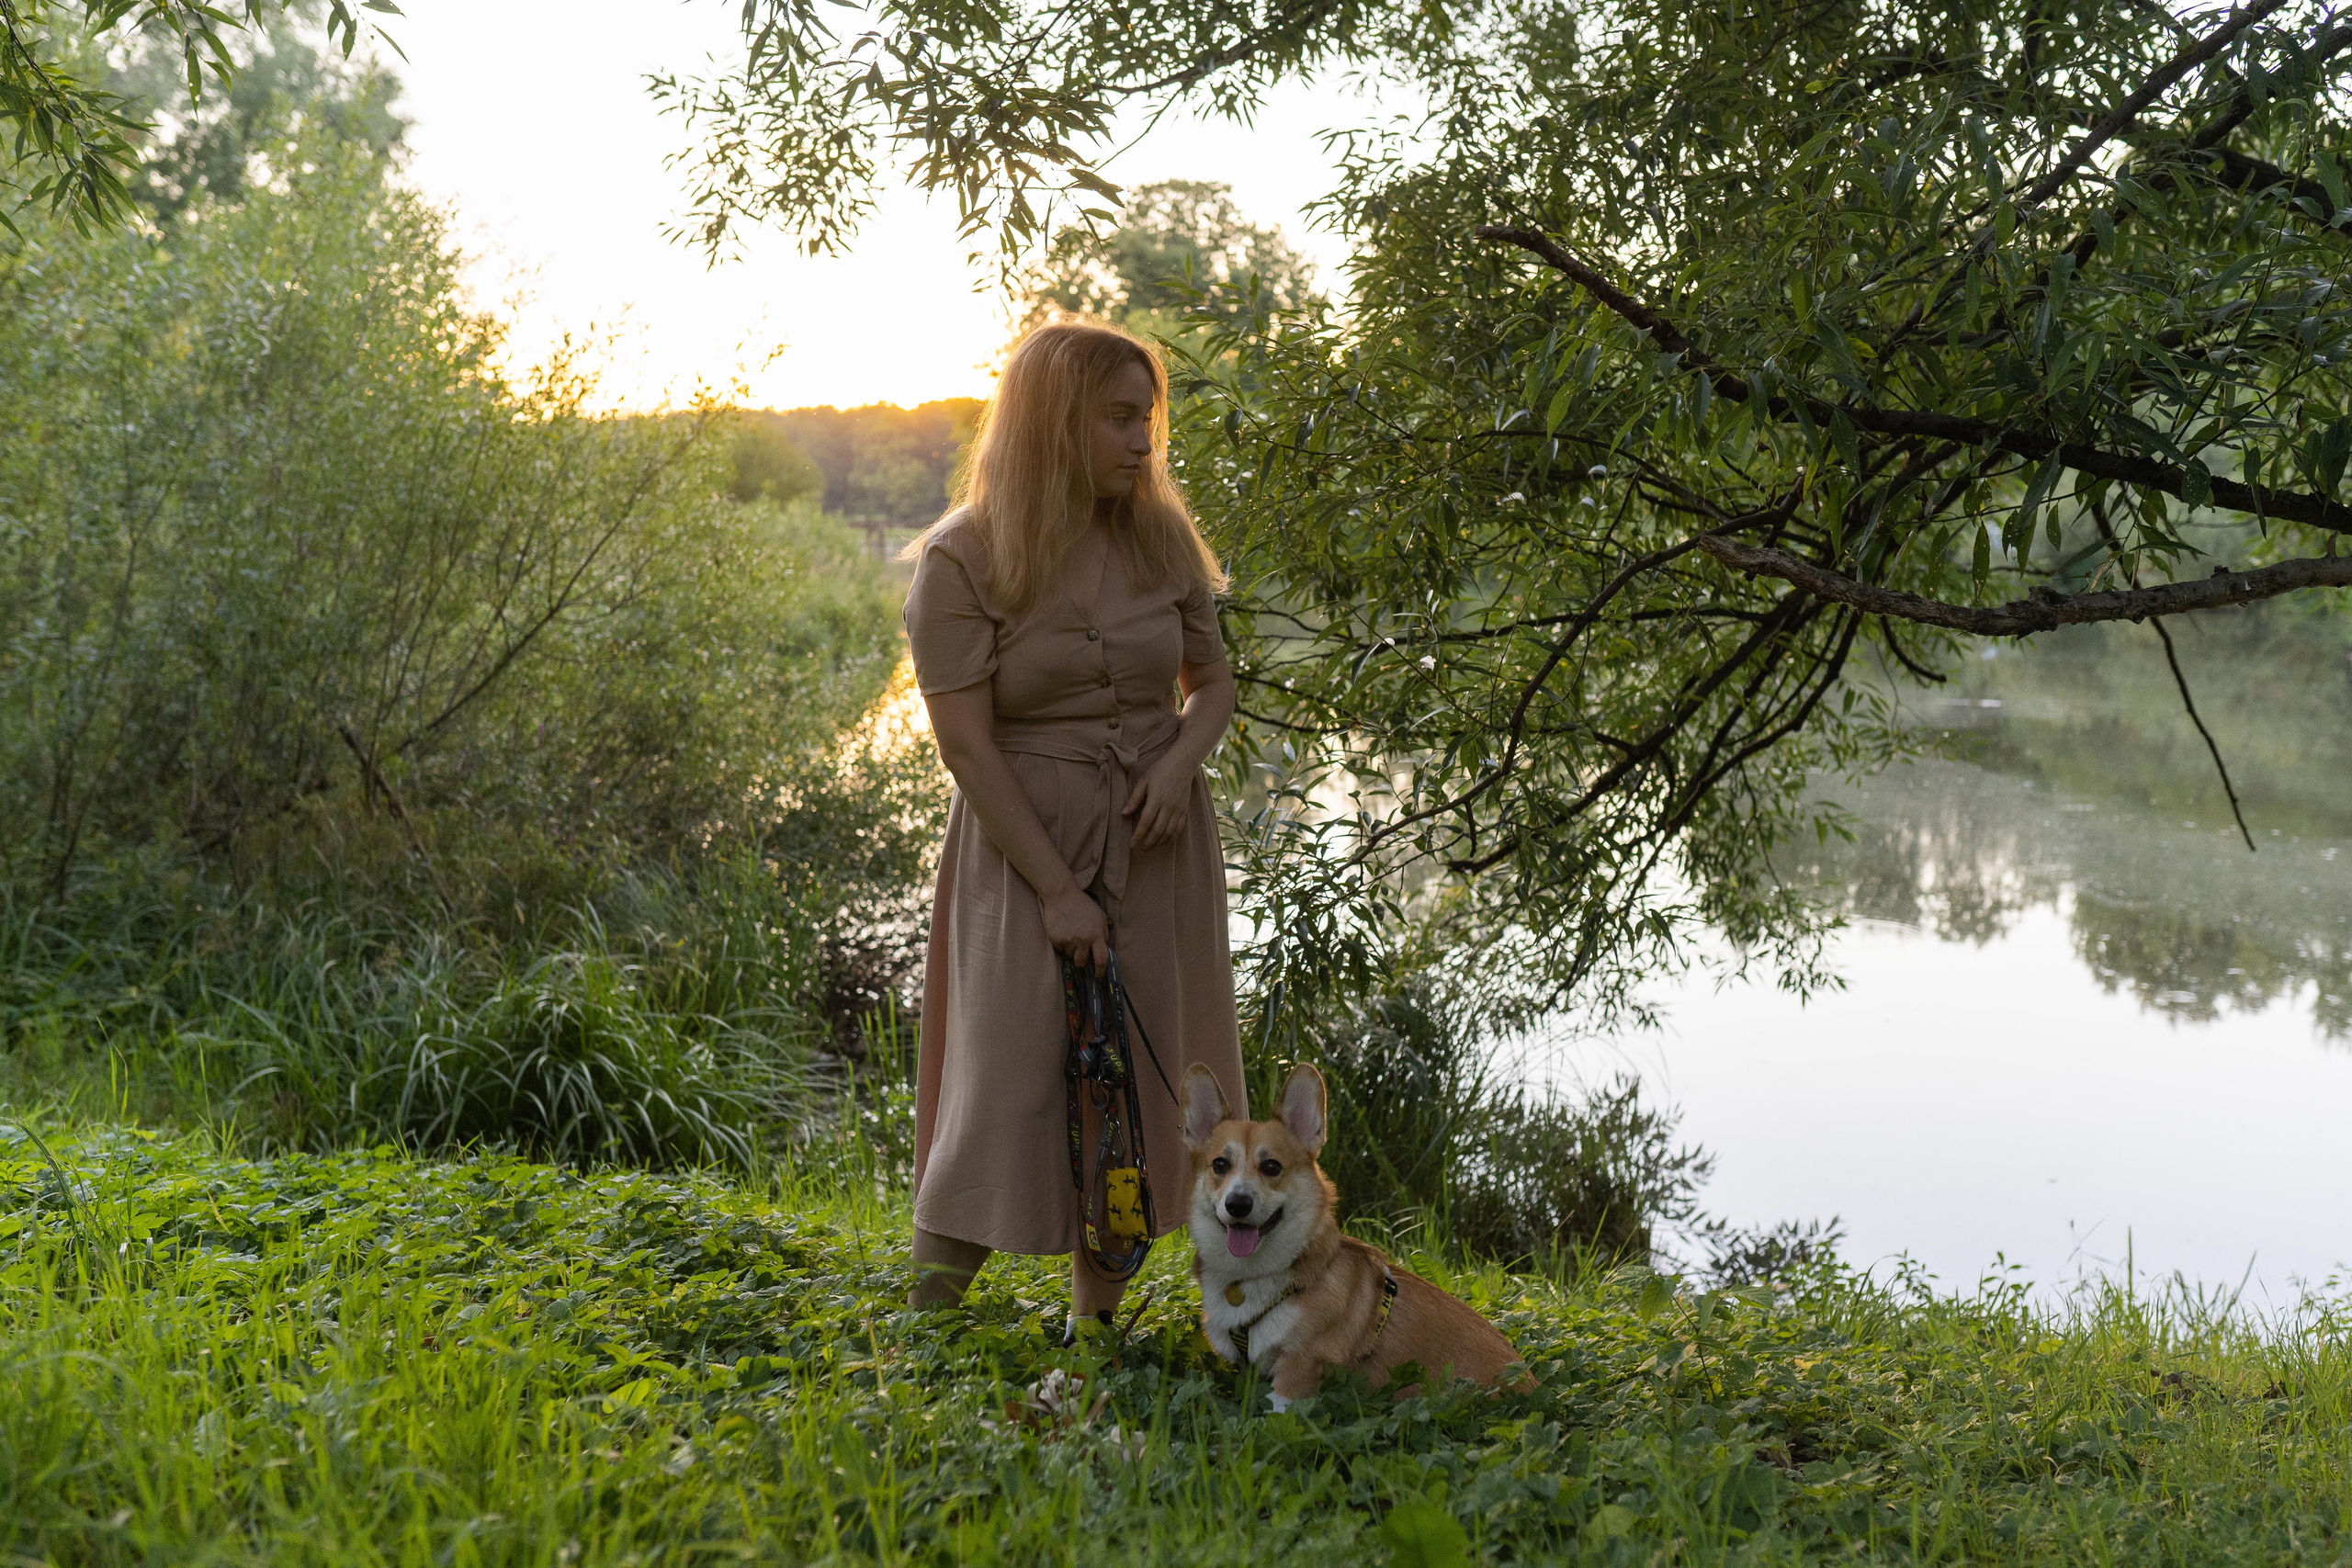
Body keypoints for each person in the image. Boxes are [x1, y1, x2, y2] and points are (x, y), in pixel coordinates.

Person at [899, 319, 1247, 1339]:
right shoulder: (961, 559)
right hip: (1020, 849)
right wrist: (1055, 888)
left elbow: (1213, 686)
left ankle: (1093, 1329)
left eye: (1148, 418)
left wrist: (1180, 761)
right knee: (1004, 1083)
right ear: (1056, 423)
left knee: (1139, 1085)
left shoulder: (1163, 538)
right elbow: (965, 745)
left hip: (1156, 847)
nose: (1143, 441)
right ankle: (926, 1324)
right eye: (1117, 418)